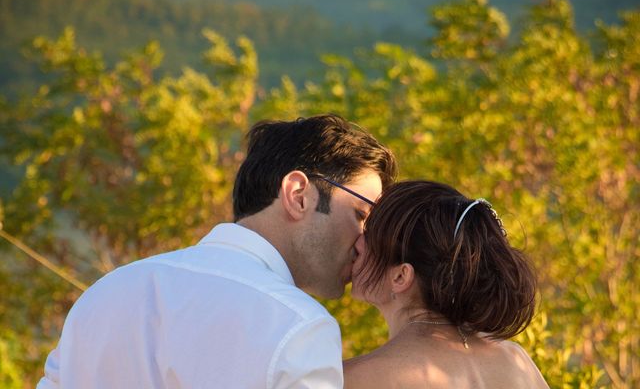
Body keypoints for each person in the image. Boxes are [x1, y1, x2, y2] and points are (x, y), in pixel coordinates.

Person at [37, 114, 397, 389]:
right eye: (362, 214)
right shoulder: (298, 326)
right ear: (298, 194)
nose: (368, 241)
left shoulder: (105, 293)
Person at [344, 180, 549, 389]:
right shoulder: (516, 362)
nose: (358, 240)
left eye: (370, 232)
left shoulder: (357, 378)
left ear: (401, 276)